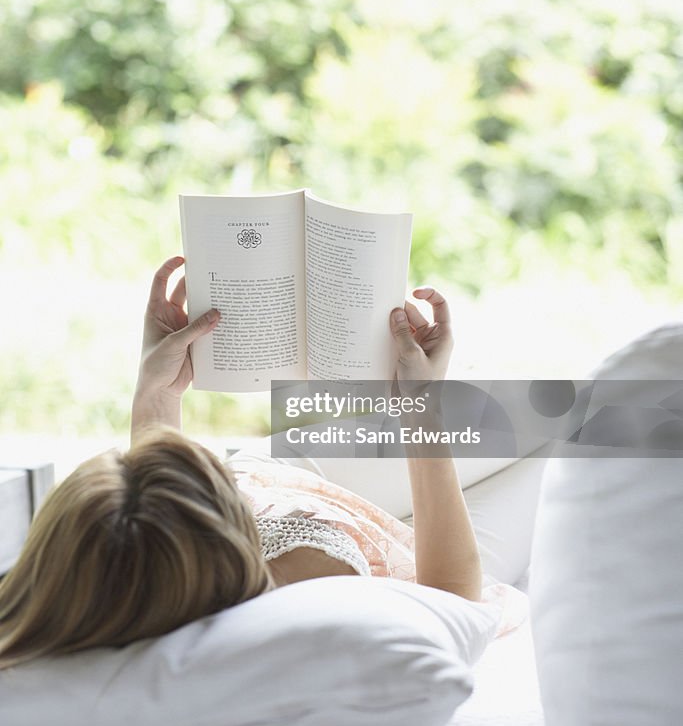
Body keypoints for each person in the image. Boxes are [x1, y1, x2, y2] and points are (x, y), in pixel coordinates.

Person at [0, 257, 493, 672]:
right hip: (363, 530)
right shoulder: (302, 585)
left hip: (283, 483)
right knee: (552, 420)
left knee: (540, 413)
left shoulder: (85, 576)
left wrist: (157, 389)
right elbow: (454, 606)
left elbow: (151, 510)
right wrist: (421, 406)